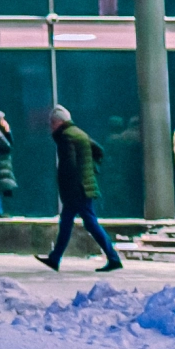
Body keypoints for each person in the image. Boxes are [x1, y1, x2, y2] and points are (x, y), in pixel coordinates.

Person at [36, 105, 123, 272]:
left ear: (60, 122)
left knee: (88, 223)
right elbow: (99, 151)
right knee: (69, 222)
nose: (51, 126)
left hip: (77, 189)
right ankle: (55, 258)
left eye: (52, 123)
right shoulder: (79, 133)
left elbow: (68, 166)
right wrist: (90, 170)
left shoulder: (66, 137)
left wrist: (72, 184)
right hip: (83, 186)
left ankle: (113, 258)